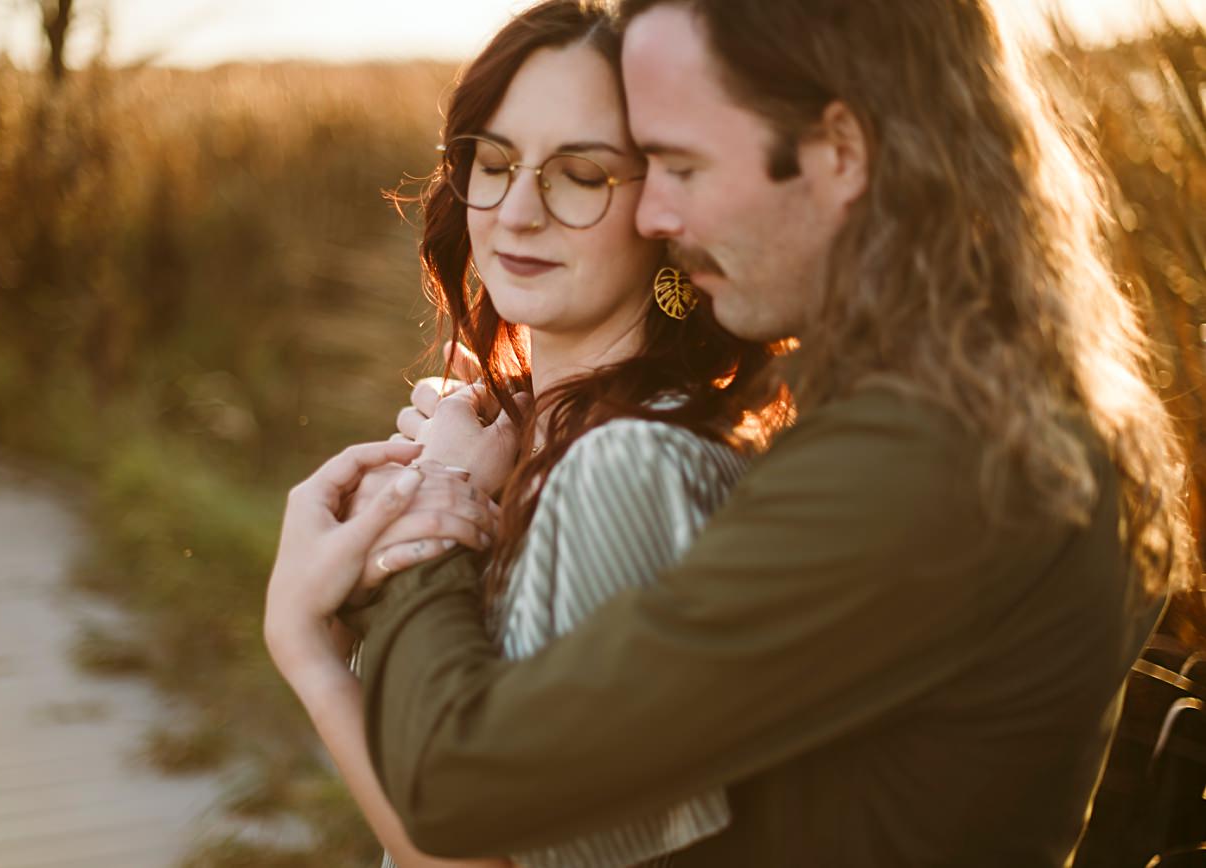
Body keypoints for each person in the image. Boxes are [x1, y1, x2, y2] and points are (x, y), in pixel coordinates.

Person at [313, 0, 1199, 865]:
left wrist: (432, 513)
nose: (656, 214)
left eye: (681, 166)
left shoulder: (924, 462)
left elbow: (459, 788)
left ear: (842, 151)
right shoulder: (989, 412)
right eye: (491, 162)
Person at [263, 2, 784, 866]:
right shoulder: (523, 447)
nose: (517, 211)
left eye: (580, 173)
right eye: (495, 162)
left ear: (663, 205)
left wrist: (304, 648)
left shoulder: (633, 466)